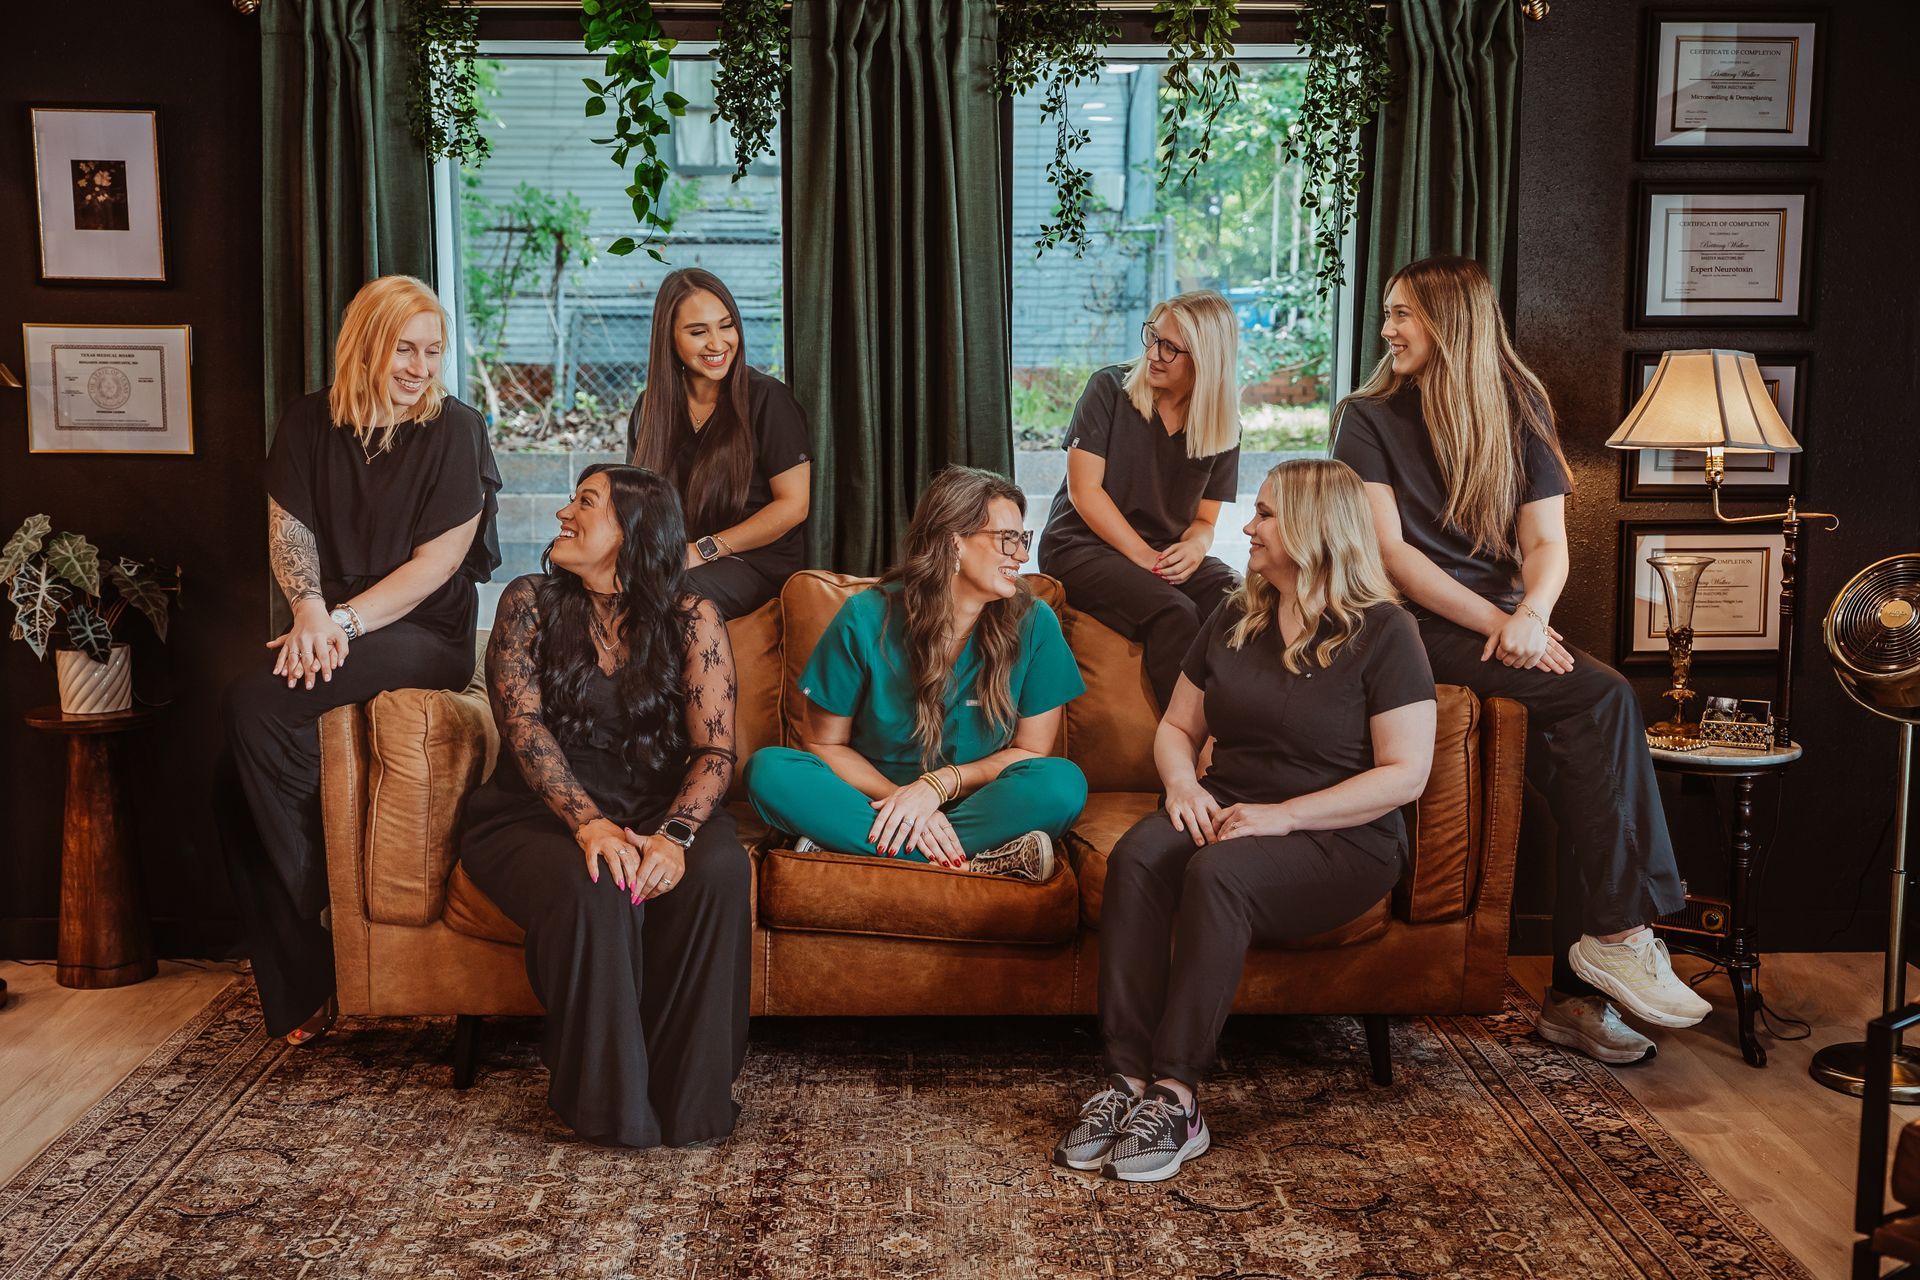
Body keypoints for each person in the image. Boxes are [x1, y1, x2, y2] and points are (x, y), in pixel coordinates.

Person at [1331, 254, 1706, 1066]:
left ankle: (1581, 993)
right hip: (1409, 627)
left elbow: (1545, 542)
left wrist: (1531, 612)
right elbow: (1393, 559)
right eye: (1388, 313)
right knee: (1603, 701)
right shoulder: (1366, 417)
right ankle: (1621, 937)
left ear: (1451, 321)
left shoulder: (1519, 404)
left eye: (1403, 315)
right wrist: (1505, 626)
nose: (1387, 328)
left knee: (1589, 768)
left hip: (1505, 625)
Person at [1053, 459, 1436, 1183]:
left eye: (1264, 515)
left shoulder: (1388, 633)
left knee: (1220, 872)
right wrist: (1180, 788)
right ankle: (1126, 1082)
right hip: (1229, 803)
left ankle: (1178, 1097)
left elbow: (1404, 775)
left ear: (1316, 530)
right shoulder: (1236, 611)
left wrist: (1285, 818)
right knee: (1136, 857)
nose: (1247, 526)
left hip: (1340, 836)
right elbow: (1176, 728)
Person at [218, 275, 501, 1046]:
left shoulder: (458, 430)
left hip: (418, 632)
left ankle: (321, 900)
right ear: (366, 347)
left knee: (253, 705)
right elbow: (291, 534)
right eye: (404, 349)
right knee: (228, 775)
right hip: (330, 625)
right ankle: (304, 984)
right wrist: (307, 606)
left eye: (433, 352)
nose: (418, 367)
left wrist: (339, 620)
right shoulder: (310, 421)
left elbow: (436, 565)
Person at [458, 465, 751, 1148]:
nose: (563, 513)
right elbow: (524, 729)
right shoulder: (527, 599)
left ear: (632, 531)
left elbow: (714, 753)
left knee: (721, 872)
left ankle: (691, 1103)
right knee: (596, 885)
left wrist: (674, 837)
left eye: (584, 503)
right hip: (534, 814)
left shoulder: (692, 616)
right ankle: (610, 1107)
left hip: (658, 807)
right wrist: (589, 825)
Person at [747, 466, 1088, 877]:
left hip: (978, 804)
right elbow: (823, 744)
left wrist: (939, 785)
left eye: (1022, 540)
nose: (1020, 555)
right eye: (1007, 540)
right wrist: (907, 804)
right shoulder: (865, 618)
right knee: (768, 771)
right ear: (953, 543)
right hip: (876, 802)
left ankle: (853, 846)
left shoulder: (1035, 622)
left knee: (1062, 783)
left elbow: (1032, 751)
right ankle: (970, 861)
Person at [1036, 290, 1243, 709]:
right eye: (1153, 336)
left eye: (1171, 347)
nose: (1154, 353)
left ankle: (1240, 731)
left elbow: (1204, 520)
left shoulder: (1223, 425)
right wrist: (1146, 558)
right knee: (1175, 612)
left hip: (1160, 551)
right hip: (1081, 546)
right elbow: (1084, 491)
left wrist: (1195, 546)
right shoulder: (1109, 388)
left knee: (1241, 602)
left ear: (1207, 359)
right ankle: (1186, 745)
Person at [627, 268, 811, 618]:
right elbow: (637, 502)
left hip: (753, 564)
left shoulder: (768, 399)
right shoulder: (650, 407)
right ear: (669, 338)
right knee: (561, 590)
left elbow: (794, 505)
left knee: (667, 596)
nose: (718, 343)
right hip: (677, 561)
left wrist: (704, 549)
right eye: (698, 331)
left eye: (726, 326)